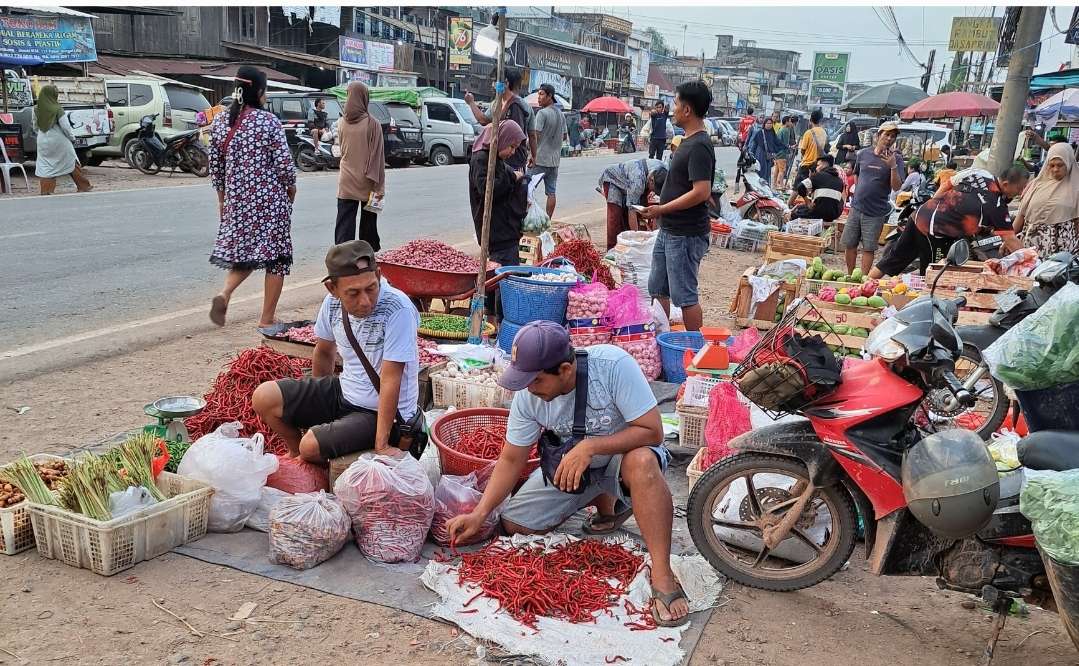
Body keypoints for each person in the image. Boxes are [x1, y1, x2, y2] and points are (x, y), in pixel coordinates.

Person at [444, 322, 690, 627]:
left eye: (535, 381)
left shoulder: (614, 366)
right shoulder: (528, 395)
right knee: (516, 525)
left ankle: (663, 573)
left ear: (565, 370)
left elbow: (653, 431)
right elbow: (511, 459)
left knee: (641, 463)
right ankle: (610, 505)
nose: (529, 389)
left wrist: (591, 447)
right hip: (576, 467)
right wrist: (481, 513)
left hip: (623, 459)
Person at [252, 241, 420, 462]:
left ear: (378, 275)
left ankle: (307, 453)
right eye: (353, 293)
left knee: (310, 446)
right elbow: (323, 352)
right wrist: (317, 410)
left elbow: (391, 378)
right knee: (264, 397)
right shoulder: (331, 304)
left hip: (380, 413)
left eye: (371, 288)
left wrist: (382, 444)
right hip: (345, 392)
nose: (365, 301)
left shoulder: (398, 308)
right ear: (332, 288)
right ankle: (295, 453)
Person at [208, 67, 296, 328]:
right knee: (277, 258)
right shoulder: (268, 121)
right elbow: (284, 165)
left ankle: (224, 294)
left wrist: (223, 201)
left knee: (245, 254)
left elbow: (216, 169)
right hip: (269, 202)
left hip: (237, 202)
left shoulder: (221, 122)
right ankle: (266, 318)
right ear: (258, 91)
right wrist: (291, 189)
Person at [640, 81, 715, 333]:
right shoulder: (685, 141)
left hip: (685, 233)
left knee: (684, 295)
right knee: (658, 287)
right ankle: (659, 340)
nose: (672, 109)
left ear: (687, 110)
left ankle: (695, 349)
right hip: (669, 230)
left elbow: (701, 192)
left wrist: (662, 209)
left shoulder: (700, 145)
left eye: (675, 104)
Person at [870, 166, 1030, 279]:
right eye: (1019, 189)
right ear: (1007, 184)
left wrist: (933, 206)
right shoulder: (995, 205)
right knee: (935, 273)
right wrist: (1032, 260)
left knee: (894, 258)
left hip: (920, 214)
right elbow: (1010, 239)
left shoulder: (980, 173)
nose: (1020, 193)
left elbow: (947, 184)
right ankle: (924, 311)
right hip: (936, 232)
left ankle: (862, 286)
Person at [469, 119, 528, 319]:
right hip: (496, 229)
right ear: (500, 139)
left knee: (499, 276)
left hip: (504, 227)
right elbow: (488, 190)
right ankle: (501, 318)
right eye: (511, 146)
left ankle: (495, 316)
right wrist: (513, 179)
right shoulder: (481, 160)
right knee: (504, 277)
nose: (512, 151)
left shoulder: (496, 159)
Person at [843, 120, 905, 276]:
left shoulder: (896, 159)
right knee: (850, 244)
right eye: (887, 135)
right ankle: (850, 276)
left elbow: (897, 187)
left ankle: (863, 280)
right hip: (856, 207)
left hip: (876, 211)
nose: (889, 139)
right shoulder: (863, 154)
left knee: (868, 248)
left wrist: (892, 166)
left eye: (893, 136)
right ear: (878, 136)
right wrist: (858, 193)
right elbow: (857, 173)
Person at [335, 82, 386, 249]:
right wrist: (380, 188)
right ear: (365, 97)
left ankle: (343, 258)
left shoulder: (341, 122)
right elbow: (378, 158)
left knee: (344, 223)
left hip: (346, 179)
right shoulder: (373, 124)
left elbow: (342, 150)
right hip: (368, 180)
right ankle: (366, 258)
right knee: (369, 223)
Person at [1014, 142, 1079, 256]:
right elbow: (1021, 216)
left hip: (1062, 250)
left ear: (1069, 163)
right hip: (1031, 245)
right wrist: (1009, 239)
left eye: (1060, 165)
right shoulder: (1036, 185)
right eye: (1052, 165)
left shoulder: (1076, 187)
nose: (1055, 169)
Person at [465, 68, 536, 170]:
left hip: (513, 161)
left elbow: (521, 137)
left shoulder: (517, 106)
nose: (493, 85)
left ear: (506, 83)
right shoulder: (496, 103)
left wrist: (533, 156)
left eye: (495, 81)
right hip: (498, 159)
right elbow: (483, 120)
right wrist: (471, 103)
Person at [33, 84, 92, 195]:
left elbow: (35, 126)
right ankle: (84, 186)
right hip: (59, 140)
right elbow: (65, 126)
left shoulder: (36, 109)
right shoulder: (57, 108)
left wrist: (43, 135)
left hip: (42, 140)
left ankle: (46, 191)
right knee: (71, 161)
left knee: (46, 165)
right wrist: (72, 138)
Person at [598, 157, 668, 248]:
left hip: (632, 181)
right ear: (651, 180)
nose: (653, 191)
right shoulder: (637, 183)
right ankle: (612, 249)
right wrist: (637, 238)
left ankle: (627, 241)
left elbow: (657, 205)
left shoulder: (664, 168)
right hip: (613, 180)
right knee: (615, 217)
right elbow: (632, 210)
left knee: (643, 208)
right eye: (653, 189)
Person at [530, 84, 568, 219]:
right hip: (554, 161)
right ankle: (547, 220)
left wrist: (531, 155)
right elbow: (564, 136)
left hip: (540, 159)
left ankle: (527, 218)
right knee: (551, 192)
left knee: (527, 189)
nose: (538, 98)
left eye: (541, 94)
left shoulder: (542, 113)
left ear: (550, 96)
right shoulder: (561, 114)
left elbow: (536, 135)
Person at [787, 154, 844, 223]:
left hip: (819, 213)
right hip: (834, 215)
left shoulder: (818, 175)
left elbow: (800, 187)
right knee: (803, 208)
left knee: (796, 212)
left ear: (824, 164)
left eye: (818, 165)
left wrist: (808, 202)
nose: (816, 168)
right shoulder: (840, 181)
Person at [744, 116, 783, 184]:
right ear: (764, 124)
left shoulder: (772, 134)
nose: (769, 125)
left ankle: (765, 190)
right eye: (767, 123)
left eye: (770, 123)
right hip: (760, 156)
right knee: (760, 173)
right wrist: (751, 155)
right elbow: (754, 145)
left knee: (767, 174)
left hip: (768, 158)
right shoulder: (759, 133)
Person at [796, 109, 829, 183]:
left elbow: (803, 150)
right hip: (818, 165)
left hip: (807, 164)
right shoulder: (824, 132)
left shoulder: (808, 132)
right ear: (821, 120)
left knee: (798, 188)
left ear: (810, 119)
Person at [773, 116, 795, 191]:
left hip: (777, 153)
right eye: (789, 121)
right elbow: (785, 143)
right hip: (782, 153)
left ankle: (775, 185)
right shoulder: (786, 130)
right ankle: (780, 185)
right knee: (782, 170)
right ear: (786, 122)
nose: (790, 123)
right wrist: (791, 147)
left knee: (777, 170)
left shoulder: (781, 129)